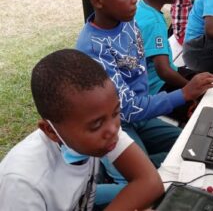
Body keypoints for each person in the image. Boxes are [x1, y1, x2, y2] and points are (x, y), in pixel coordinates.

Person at [76, 0, 213, 192]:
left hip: (141, 118)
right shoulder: (93, 49)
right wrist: (183, 93)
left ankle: (125, 169)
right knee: (145, 184)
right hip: (116, 126)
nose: (133, 1)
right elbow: (127, 109)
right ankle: (82, 194)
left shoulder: (127, 22)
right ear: (98, 0)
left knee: (194, 145)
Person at [0, 49, 164, 210]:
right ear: (50, 131)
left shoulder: (103, 124)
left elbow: (150, 182)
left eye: (116, 112)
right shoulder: (23, 184)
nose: (113, 130)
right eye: (96, 125)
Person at [135, 0, 202, 124]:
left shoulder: (141, 8)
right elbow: (163, 70)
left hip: (155, 79)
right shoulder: (154, 22)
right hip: (157, 87)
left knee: (206, 79)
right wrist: (190, 89)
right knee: (201, 103)